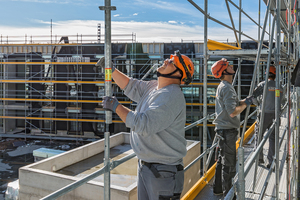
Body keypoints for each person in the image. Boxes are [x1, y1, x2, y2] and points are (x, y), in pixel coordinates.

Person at [97, 50, 194, 200]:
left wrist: (116, 106)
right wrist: (111, 69)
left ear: (179, 74)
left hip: (163, 172)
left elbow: (144, 125)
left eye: (172, 63)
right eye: (169, 59)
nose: (166, 61)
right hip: (147, 167)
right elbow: (131, 85)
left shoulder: (171, 96)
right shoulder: (154, 87)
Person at [211, 58, 254, 197]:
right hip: (227, 130)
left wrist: (247, 100)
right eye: (228, 66)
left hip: (222, 129)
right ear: (224, 71)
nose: (231, 66)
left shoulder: (223, 86)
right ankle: (229, 195)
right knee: (228, 165)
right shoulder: (227, 88)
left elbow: (234, 104)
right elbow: (233, 111)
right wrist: (246, 104)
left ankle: (218, 189)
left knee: (221, 161)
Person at [254, 64, 283, 168]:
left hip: (263, 114)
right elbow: (282, 100)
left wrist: (259, 103)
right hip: (275, 114)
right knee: (273, 138)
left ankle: (259, 158)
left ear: (266, 74)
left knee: (259, 136)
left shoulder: (262, 85)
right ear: (275, 75)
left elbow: (253, 97)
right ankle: (270, 161)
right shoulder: (278, 86)